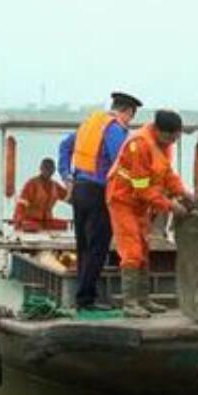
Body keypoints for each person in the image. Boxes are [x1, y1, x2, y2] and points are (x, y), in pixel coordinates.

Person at [106, 109, 193, 318]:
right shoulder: (139, 145)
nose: (173, 141)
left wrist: (183, 192)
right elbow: (142, 188)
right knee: (132, 251)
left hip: (139, 204)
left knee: (144, 249)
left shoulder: (162, 145)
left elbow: (167, 174)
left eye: (176, 137)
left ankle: (144, 299)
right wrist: (171, 206)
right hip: (122, 200)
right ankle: (130, 303)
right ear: (160, 131)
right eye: (171, 137)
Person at [60, 91, 142, 311]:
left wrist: (66, 176)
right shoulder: (115, 128)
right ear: (127, 111)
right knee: (98, 247)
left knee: (84, 246)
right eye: (131, 117)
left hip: (79, 189)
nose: (129, 123)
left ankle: (83, 296)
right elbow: (121, 160)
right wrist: (140, 189)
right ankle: (87, 300)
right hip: (98, 192)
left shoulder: (90, 124)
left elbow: (64, 146)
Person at [12, 157, 70, 232]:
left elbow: (69, 198)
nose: (48, 171)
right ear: (41, 168)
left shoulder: (55, 186)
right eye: (46, 168)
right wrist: (18, 220)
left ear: (54, 170)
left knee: (64, 225)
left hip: (46, 221)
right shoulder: (32, 184)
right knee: (31, 227)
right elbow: (21, 204)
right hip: (30, 220)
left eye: (50, 168)